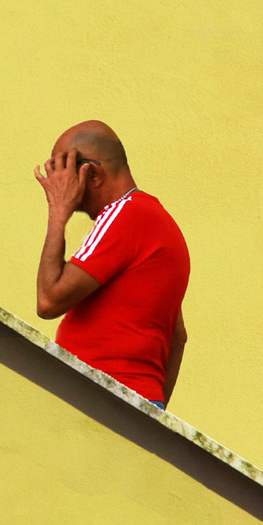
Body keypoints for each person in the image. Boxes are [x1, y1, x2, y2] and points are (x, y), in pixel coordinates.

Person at [34, 120, 191, 408]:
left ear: (92, 173)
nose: (57, 182)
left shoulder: (125, 214)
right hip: (132, 400)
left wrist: (58, 211)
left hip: (100, 396)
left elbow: (48, 301)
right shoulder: (153, 219)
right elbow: (177, 337)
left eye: (63, 170)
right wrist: (152, 413)